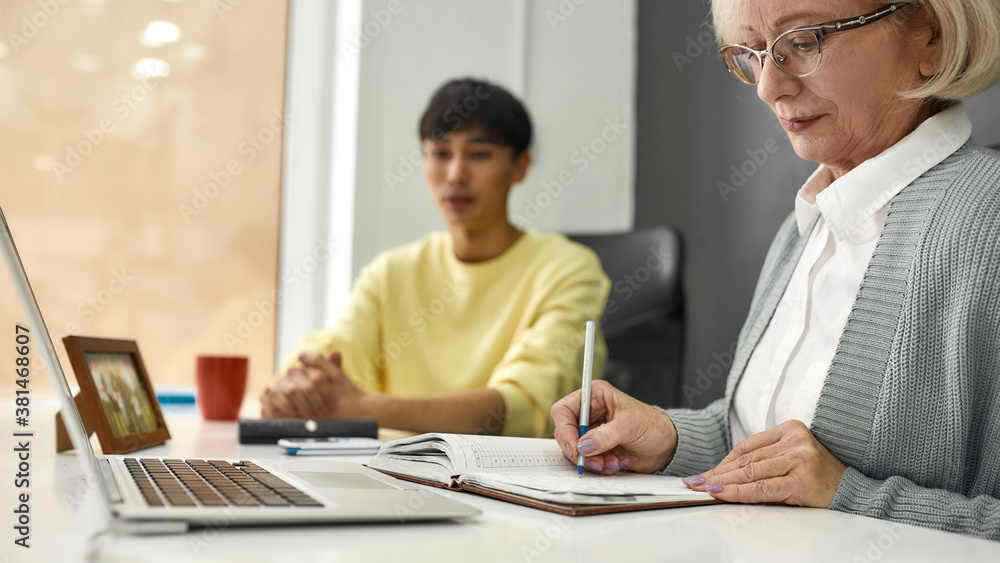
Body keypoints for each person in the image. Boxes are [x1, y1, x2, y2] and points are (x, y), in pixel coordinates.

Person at [552, 0, 1000, 540]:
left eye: (805, 41)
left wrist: (849, 496)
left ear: (929, 36)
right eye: (751, 54)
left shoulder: (987, 224)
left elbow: (820, 480)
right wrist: (668, 435)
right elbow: (764, 444)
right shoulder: (807, 224)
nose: (768, 87)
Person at [261, 78, 611, 438]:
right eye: (441, 153)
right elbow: (332, 350)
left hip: (502, 487)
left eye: (479, 154)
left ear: (520, 167)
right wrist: (298, 388)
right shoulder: (391, 273)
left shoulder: (567, 269)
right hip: (387, 478)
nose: (456, 175)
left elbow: (526, 406)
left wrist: (364, 410)